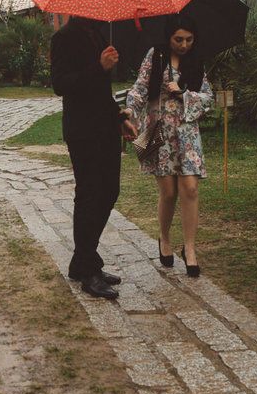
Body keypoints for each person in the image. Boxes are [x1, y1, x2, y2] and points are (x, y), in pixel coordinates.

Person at [51, 16, 138, 299]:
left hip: (106, 128)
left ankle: (82, 260)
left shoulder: (99, 34)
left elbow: (102, 91)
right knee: (89, 195)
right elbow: (60, 84)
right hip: (82, 130)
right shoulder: (64, 37)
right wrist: (98, 67)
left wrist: (119, 119)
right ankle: (88, 269)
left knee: (110, 191)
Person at [126, 15, 213, 278]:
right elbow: (140, 88)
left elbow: (208, 98)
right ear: (169, 37)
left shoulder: (196, 61)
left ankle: (189, 248)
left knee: (190, 188)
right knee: (168, 192)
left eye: (189, 39)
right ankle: (164, 239)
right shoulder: (156, 55)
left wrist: (184, 93)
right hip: (159, 130)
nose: (184, 45)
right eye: (178, 39)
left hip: (186, 133)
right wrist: (130, 110)